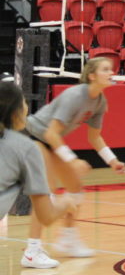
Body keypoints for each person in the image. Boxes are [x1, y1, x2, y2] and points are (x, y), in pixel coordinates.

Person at [22, 57, 125, 268]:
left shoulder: (99, 101)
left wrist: (112, 160)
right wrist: (72, 161)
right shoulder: (75, 95)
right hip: (33, 136)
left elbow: (94, 137)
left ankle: (68, 240)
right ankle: (32, 251)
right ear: (92, 75)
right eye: (106, 69)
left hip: (50, 142)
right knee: (46, 193)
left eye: (111, 69)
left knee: (75, 190)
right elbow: (51, 133)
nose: (111, 73)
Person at [0, 82, 77, 269]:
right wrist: (65, 204)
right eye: (24, 103)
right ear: (16, 111)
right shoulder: (27, 149)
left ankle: (33, 252)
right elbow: (46, 215)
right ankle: (33, 252)